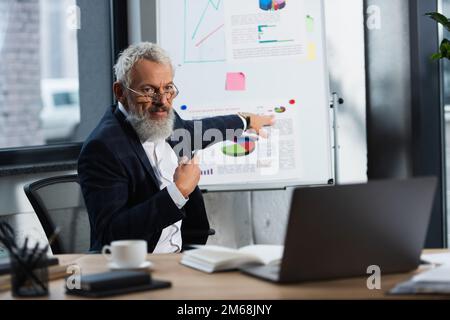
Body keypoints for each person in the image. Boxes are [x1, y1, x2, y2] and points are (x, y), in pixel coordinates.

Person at [78, 42, 274, 253]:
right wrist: (178, 191)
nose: (162, 101)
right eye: (148, 90)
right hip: (138, 266)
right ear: (120, 91)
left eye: (168, 88)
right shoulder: (102, 148)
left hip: (184, 253)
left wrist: (245, 121)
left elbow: (197, 131)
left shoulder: (162, 118)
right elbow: (111, 235)